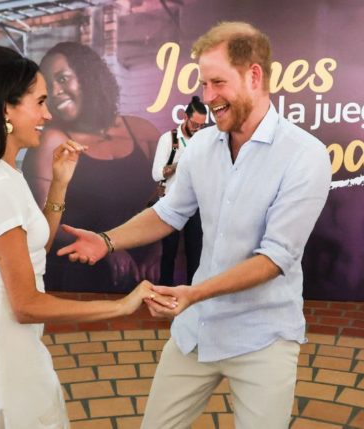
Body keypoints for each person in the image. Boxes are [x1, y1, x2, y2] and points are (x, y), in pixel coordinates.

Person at [57, 22, 331, 428]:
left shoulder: (305, 155)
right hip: (196, 331)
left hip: (263, 339)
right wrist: (106, 241)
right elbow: (168, 213)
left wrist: (194, 293)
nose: (208, 97)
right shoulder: (202, 145)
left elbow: (276, 257)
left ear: (254, 75)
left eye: (218, 82)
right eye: (204, 84)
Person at [0, 46, 171, 428]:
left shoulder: (1, 175)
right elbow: (26, 304)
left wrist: (59, 185)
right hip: (1, 346)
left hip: (1, 339)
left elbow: (33, 248)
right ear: (6, 109)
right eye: (39, 102)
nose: (47, 113)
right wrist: (121, 307)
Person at [21, 41, 162, 294]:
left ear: (89, 78)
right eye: (48, 86)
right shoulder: (51, 142)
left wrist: (156, 248)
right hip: (79, 279)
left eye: (63, 79)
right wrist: (104, 247)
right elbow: (43, 227)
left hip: (144, 277)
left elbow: (163, 205)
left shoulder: (142, 131)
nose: (56, 91)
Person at [152, 96, 207, 285]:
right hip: (171, 203)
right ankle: (163, 292)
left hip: (195, 204)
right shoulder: (169, 139)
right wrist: (181, 164)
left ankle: (194, 295)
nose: (197, 128)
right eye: (194, 123)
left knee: (195, 253)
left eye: (201, 125)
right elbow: (156, 174)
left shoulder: (204, 140)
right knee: (169, 252)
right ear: (185, 117)